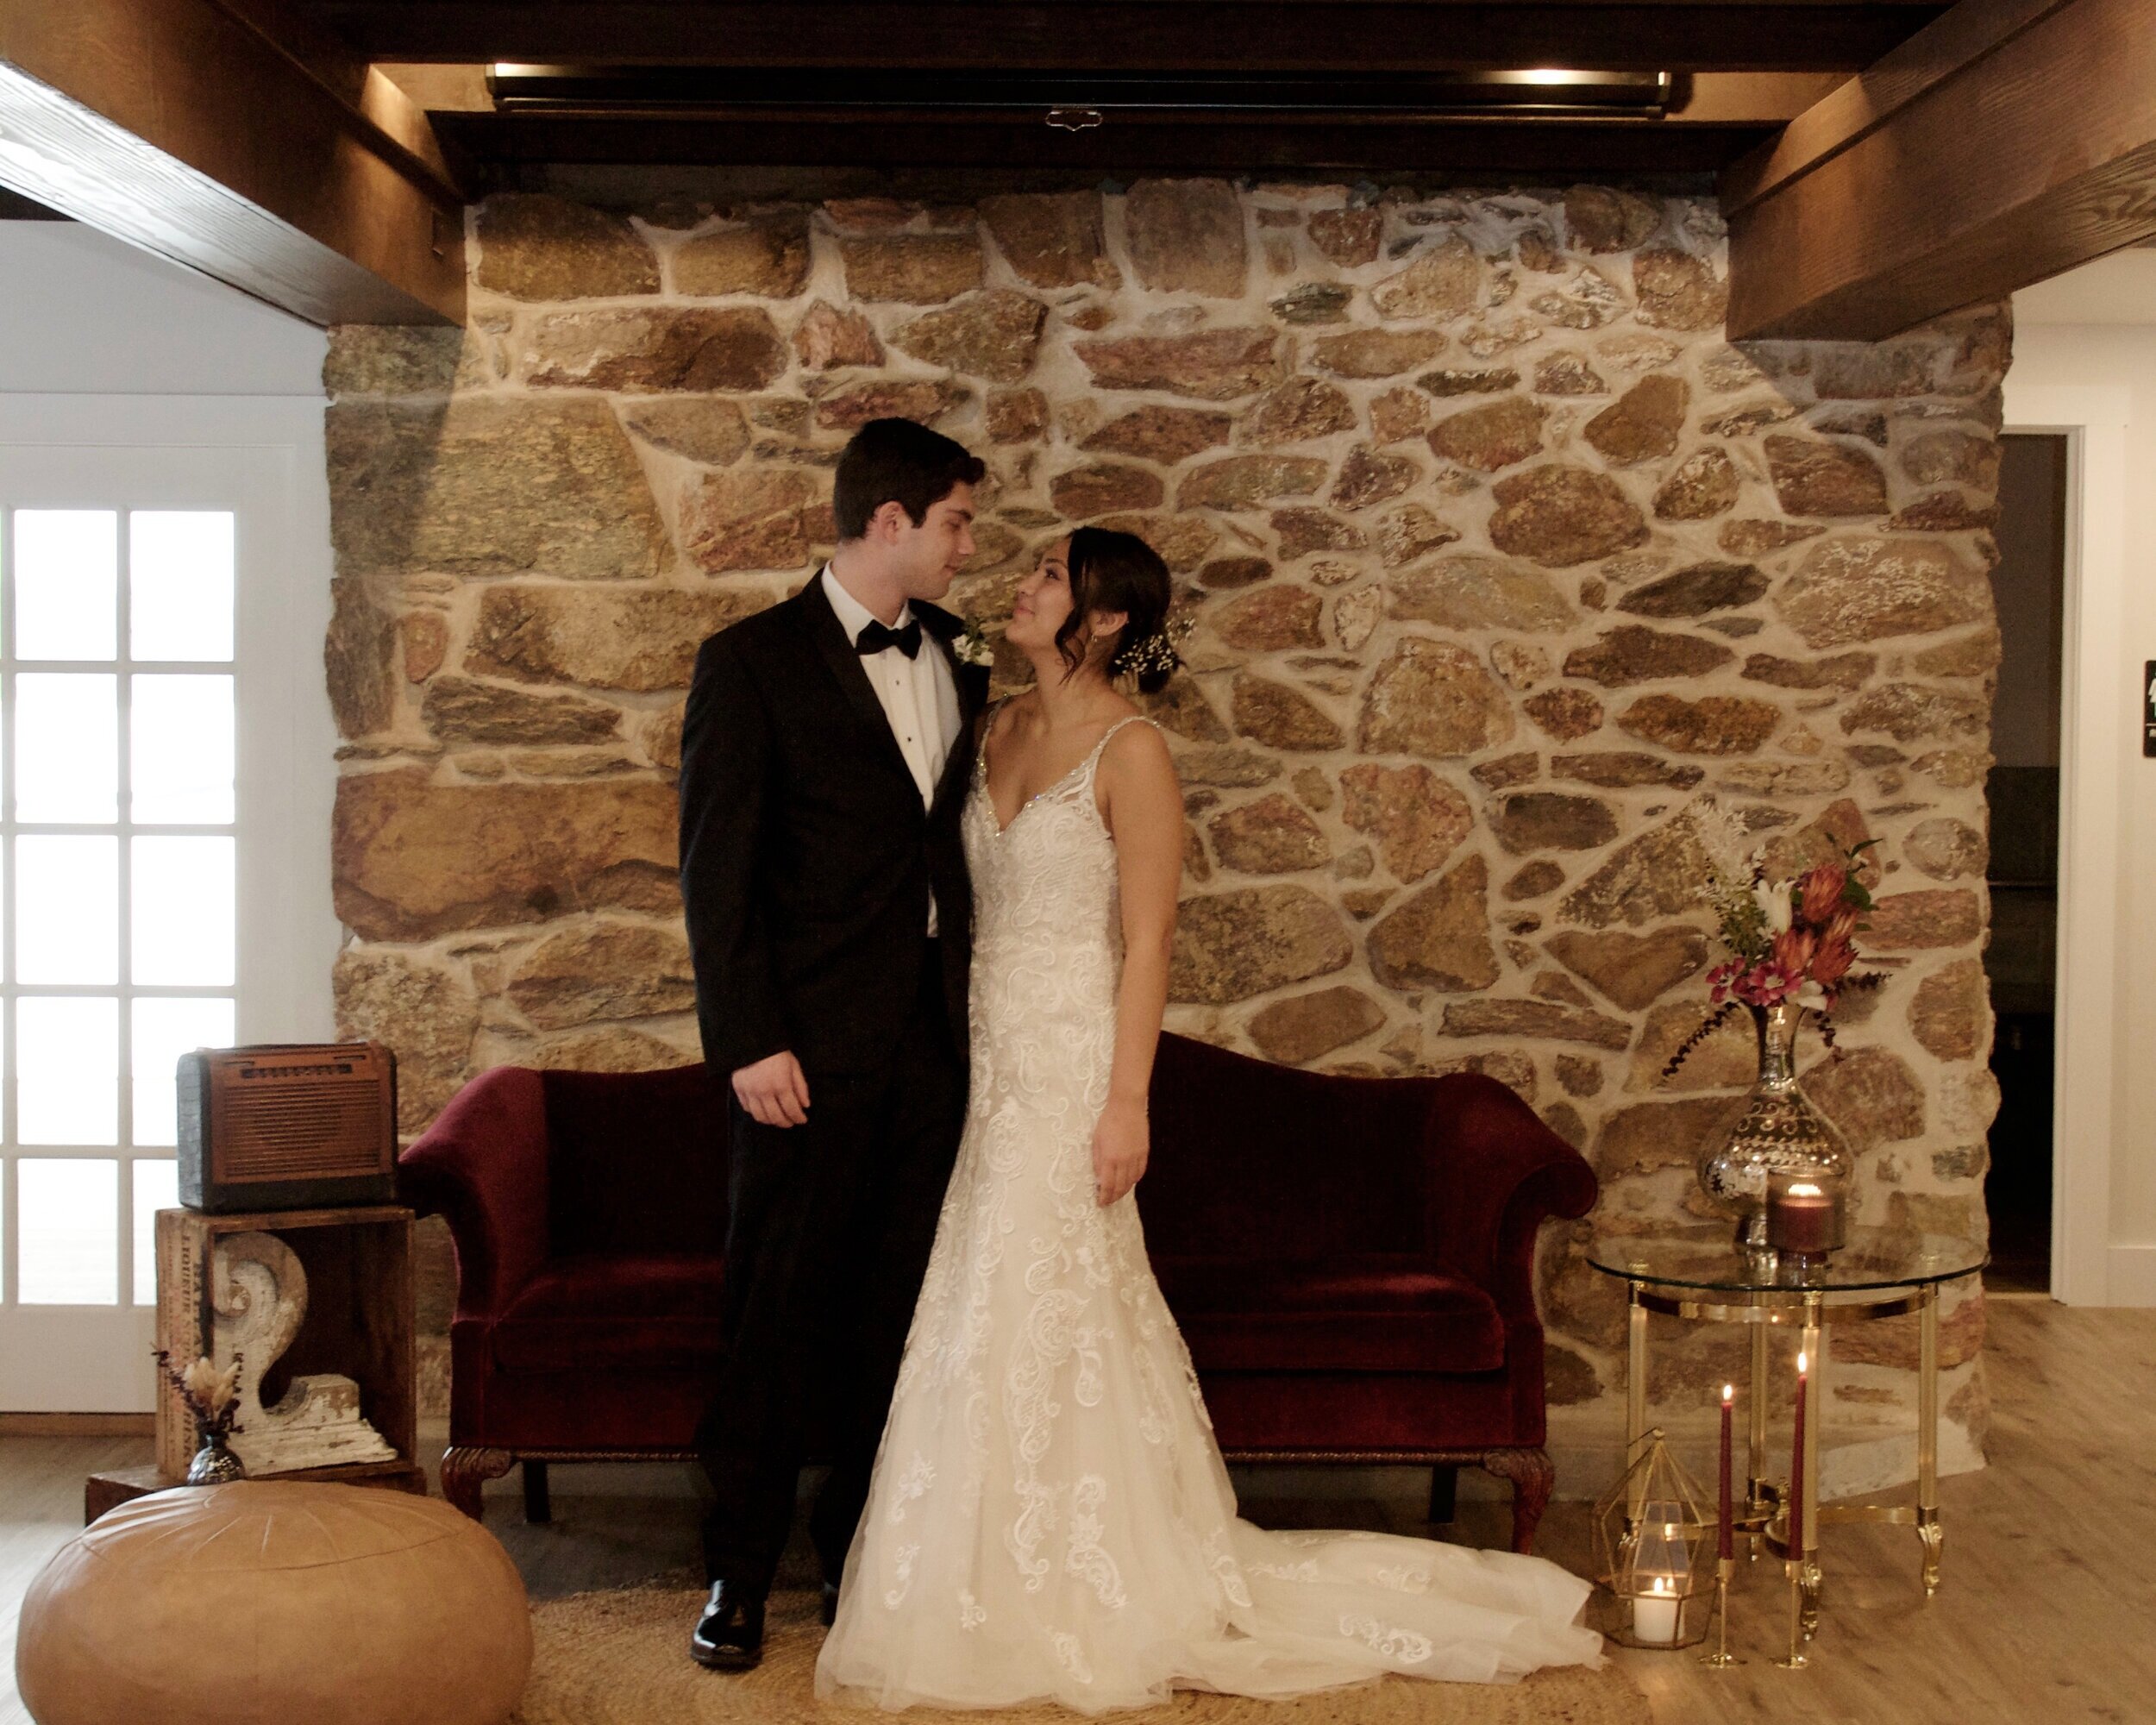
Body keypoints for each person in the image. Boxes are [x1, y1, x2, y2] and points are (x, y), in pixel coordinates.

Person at [816, 526, 1603, 1711]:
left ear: (1108, 618)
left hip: (1076, 1062)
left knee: (1058, 1293)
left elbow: (1149, 939)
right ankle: (974, 1572)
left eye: (1046, 579)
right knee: (977, 1300)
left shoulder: (1134, 752)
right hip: (982, 1064)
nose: (1020, 589)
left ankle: (1085, 1579)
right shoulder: (992, 729)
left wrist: (1126, 1101)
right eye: (1025, 572)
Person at [677, 417, 990, 1672]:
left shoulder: (963, 655)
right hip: (800, 1054)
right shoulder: (748, 662)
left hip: (932, 1047)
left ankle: (858, 1560)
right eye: (960, 520)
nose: (972, 544)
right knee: (773, 1316)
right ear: (891, 521)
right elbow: (717, 871)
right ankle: (736, 1576)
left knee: (896, 1317)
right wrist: (750, 1039)